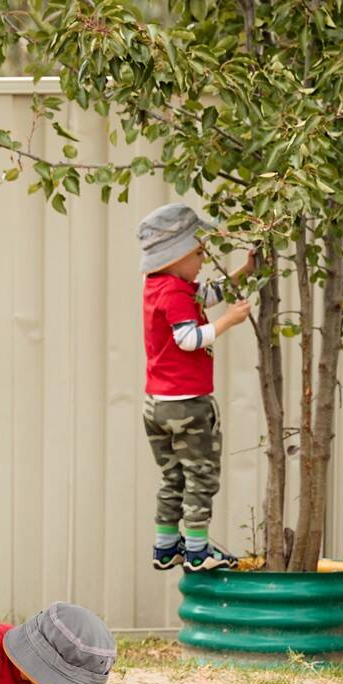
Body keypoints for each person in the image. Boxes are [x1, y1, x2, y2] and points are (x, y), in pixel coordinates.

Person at [136, 202, 254, 572]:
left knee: (172, 475)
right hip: (187, 405)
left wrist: (244, 272)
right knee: (200, 476)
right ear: (178, 254)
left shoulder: (160, 287)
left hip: (158, 404)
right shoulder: (174, 293)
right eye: (199, 252)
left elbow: (205, 295)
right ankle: (199, 551)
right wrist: (229, 321)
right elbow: (188, 338)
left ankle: (166, 545)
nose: (204, 260)